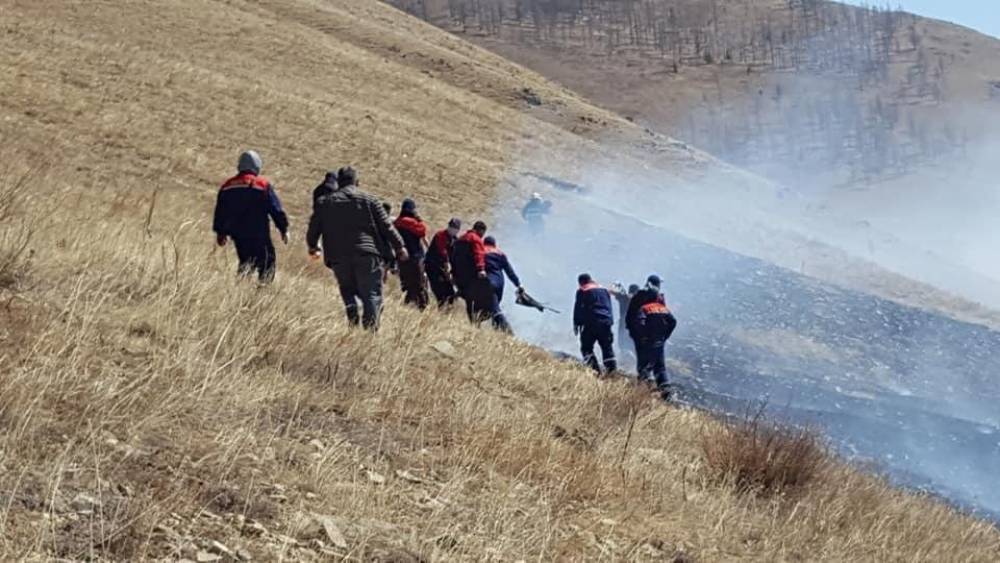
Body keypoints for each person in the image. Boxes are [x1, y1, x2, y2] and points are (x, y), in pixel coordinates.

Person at [306, 167, 408, 330]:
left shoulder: (325, 202)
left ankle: (352, 314)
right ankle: (369, 334)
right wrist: (400, 246)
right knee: (371, 295)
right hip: (367, 254)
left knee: (347, 289)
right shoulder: (370, 200)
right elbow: (386, 226)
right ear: (357, 182)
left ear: (339, 183)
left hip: (338, 256)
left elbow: (314, 227)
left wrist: (313, 245)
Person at [213, 150, 289, 282]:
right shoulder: (262, 185)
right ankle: (262, 293)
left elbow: (220, 211)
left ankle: (240, 289)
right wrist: (283, 228)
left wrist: (221, 233)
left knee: (245, 262)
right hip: (259, 233)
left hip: (238, 235)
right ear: (257, 166)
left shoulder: (227, 186)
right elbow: (275, 209)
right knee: (267, 262)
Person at [573, 274, 617, 374]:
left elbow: (578, 308)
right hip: (606, 322)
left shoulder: (582, 290)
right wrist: (610, 321)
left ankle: (594, 370)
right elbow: (609, 306)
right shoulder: (603, 289)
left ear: (581, 282)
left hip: (591, 322)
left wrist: (577, 323)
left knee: (586, 347)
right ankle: (612, 371)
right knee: (607, 347)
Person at [635, 295, 678, 398]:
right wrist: (665, 335)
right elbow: (673, 322)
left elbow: (640, 323)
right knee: (660, 367)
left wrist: (644, 336)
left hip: (648, 342)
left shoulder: (645, 308)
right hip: (660, 342)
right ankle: (666, 392)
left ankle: (642, 393)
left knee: (644, 366)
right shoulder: (664, 309)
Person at [393, 198, 430, 309]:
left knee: (408, 285)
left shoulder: (397, 222)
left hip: (402, 259)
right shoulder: (410, 222)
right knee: (419, 285)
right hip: (414, 258)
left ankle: (407, 307)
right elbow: (422, 231)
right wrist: (419, 220)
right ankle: (422, 308)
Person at [482, 236, 523, 332]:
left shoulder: (481, 252)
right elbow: (509, 271)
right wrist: (518, 284)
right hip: (500, 282)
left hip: (488, 283)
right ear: (494, 244)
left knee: (495, 309)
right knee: (494, 306)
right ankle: (497, 331)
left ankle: (507, 330)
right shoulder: (500, 253)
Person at [450, 221, 489, 322]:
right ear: (480, 230)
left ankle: (472, 320)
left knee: (468, 299)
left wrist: (453, 272)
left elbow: (453, 256)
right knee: (478, 296)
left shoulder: (461, 239)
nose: (482, 236)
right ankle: (476, 320)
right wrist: (481, 269)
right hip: (471, 274)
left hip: (459, 274)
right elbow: (478, 254)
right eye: (482, 233)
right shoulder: (475, 239)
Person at [425, 218, 461, 307]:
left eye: (454, 228)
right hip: (433, 267)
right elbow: (443, 251)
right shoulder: (440, 235)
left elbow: (455, 257)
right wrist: (447, 265)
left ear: (458, 230)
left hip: (444, 270)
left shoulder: (455, 240)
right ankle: (440, 313)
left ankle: (446, 316)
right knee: (440, 294)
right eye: (451, 226)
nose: (452, 229)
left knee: (450, 295)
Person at [610, 282, 640, 359]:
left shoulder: (623, 297)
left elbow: (611, 291)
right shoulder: (640, 299)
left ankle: (626, 360)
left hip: (624, 323)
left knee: (623, 343)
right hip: (636, 323)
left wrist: (615, 285)